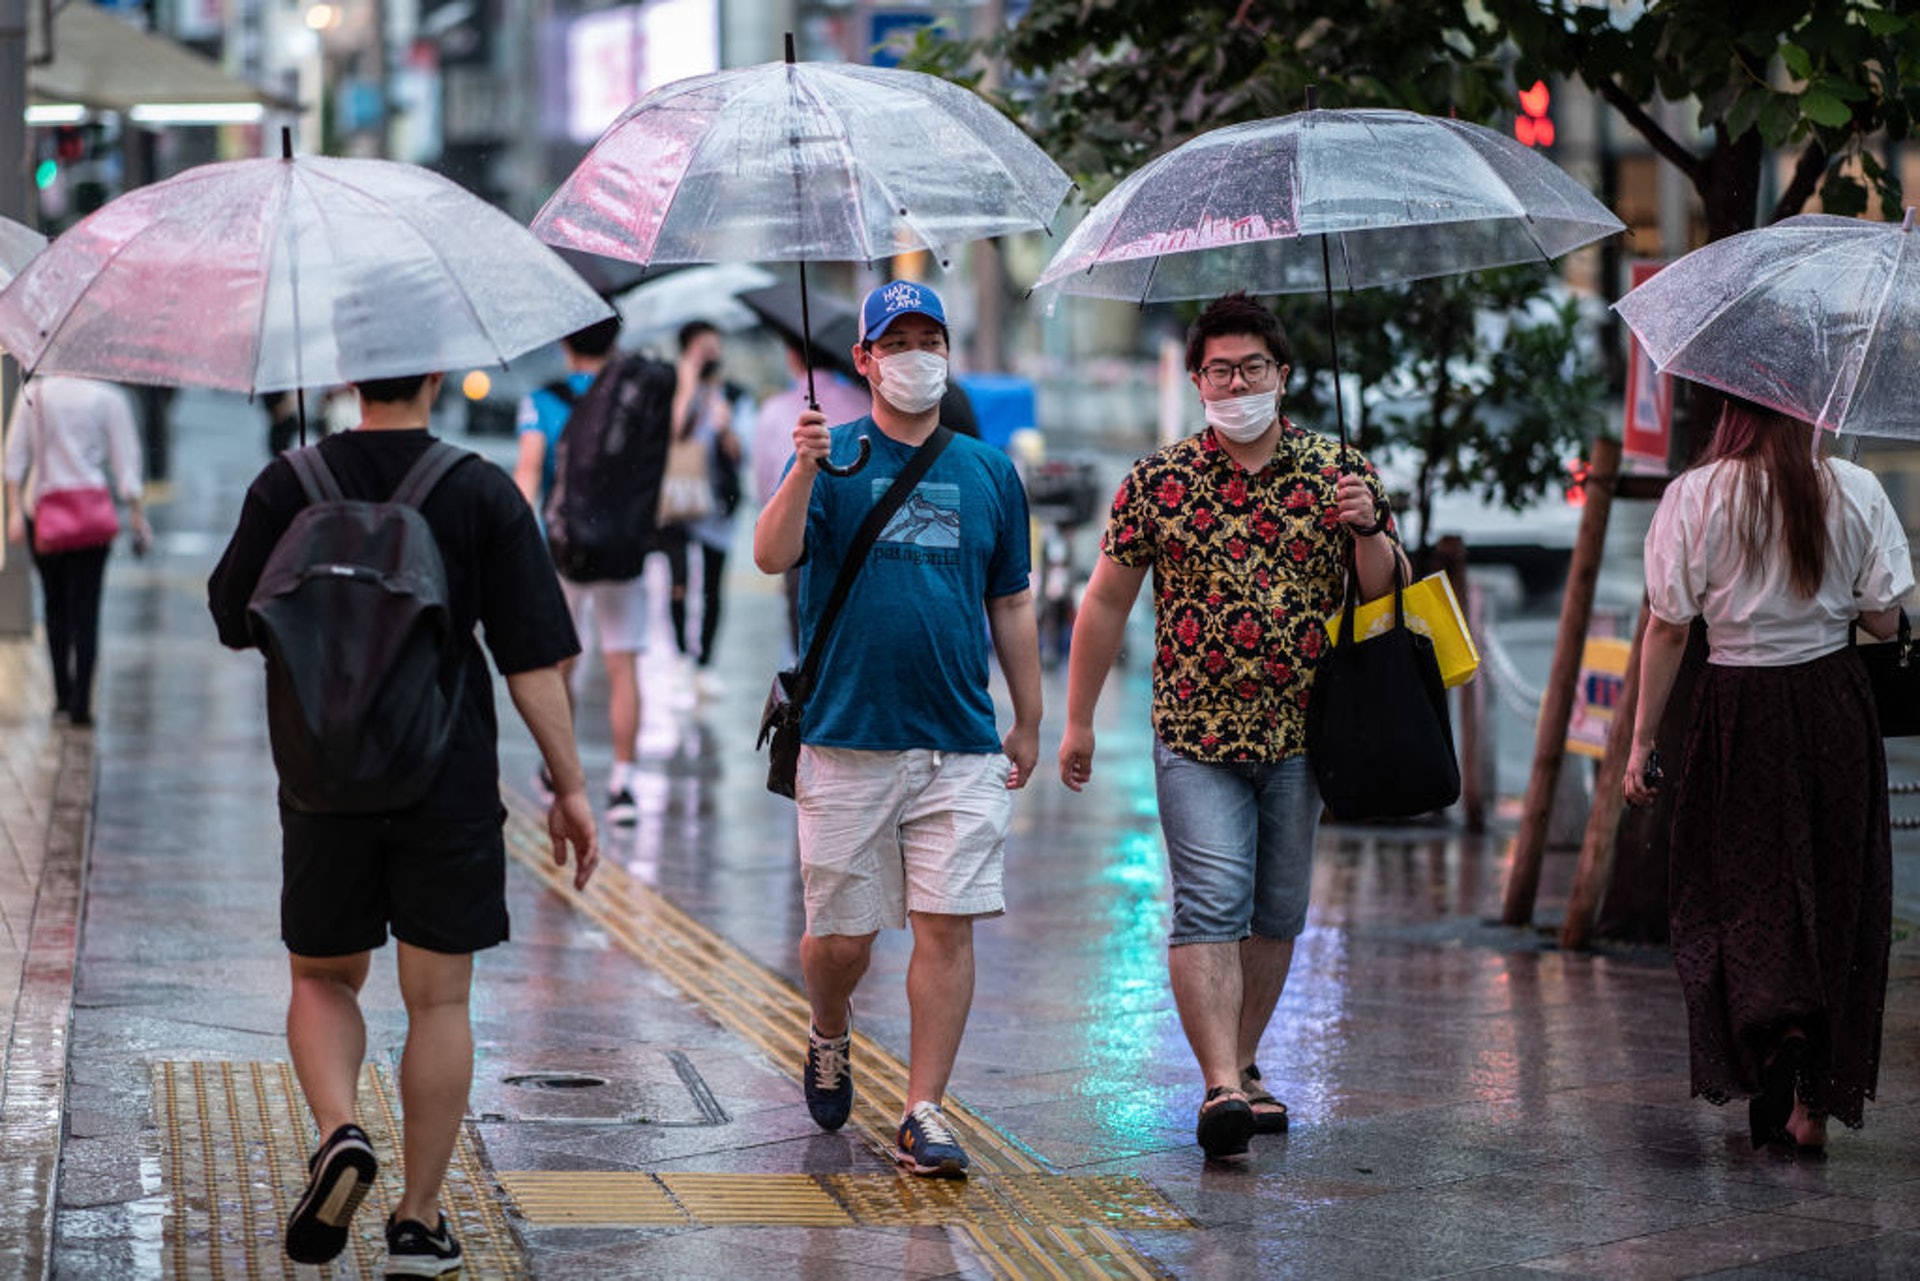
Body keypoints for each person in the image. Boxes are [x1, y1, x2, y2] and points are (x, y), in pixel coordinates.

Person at [209, 369, 599, 1273]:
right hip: (446, 776)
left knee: (322, 978)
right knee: (439, 1000)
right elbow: (532, 657)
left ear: (347, 379)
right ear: (434, 376)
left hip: (321, 777)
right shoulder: (478, 489)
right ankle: (419, 1222)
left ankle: (342, 1131)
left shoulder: (286, 482)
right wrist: (570, 786)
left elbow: (235, 618)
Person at [1056, 292, 1407, 1162]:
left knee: (1277, 912)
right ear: (1197, 380)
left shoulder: (1337, 469)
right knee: (1211, 904)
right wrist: (1077, 721)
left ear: (1283, 376)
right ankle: (1219, 1086)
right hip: (1194, 734)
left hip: (1303, 735)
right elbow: (1104, 602)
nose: (1238, 382)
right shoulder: (1158, 480)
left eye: (1254, 367)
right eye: (1221, 369)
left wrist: (1368, 526)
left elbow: (1384, 589)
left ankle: (1245, 1066)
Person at [753, 281, 1041, 1179]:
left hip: (958, 737)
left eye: (931, 337)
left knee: (946, 925)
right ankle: (829, 1027)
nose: (917, 353)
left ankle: (925, 1107)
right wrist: (803, 468)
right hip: (846, 735)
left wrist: (1029, 716)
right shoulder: (831, 455)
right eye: (898, 339)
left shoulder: (990, 472)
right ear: (864, 361)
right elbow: (771, 555)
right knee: (840, 942)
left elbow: (1013, 601)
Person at [1623, 396, 1910, 1154]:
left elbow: (1669, 623)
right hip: (1833, 706)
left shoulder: (1697, 493)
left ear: (1734, 407)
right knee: (1835, 887)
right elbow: (1885, 618)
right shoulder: (1853, 487)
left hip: (1736, 708)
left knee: (1741, 889)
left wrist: (1641, 742)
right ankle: (1812, 1106)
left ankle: (1773, 1028)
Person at [514, 316, 647, 825]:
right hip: (624, 551)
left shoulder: (542, 400)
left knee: (560, 665)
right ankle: (624, 784)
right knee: (623, 666)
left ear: (566, 341)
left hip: (563, 549)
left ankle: (559, 773)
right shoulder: (632, 398)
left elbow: (528, 475)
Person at [4, 375, 152, 728]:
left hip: (42, 512)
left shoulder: (34, 395)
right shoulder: (109, 397)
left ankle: (61, 696)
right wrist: (136, 517)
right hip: (91, 518)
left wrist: (12, 512)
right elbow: (126, 465)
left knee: (55, 607)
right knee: (87, 610)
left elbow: (13, 457)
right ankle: (82, 703)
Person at [755, 339, 871, 659]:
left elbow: (765, 487)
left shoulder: (775, 409)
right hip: (859, 533)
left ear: (794, 356)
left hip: (799, 536)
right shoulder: (864, 401)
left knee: (807, 644)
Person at [664, 319, 745, 699]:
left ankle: (705, 663)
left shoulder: (734, 394)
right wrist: (687, 384)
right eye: (702, 347)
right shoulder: (674, 388)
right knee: (678, 582)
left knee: (713, 586)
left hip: (718, 506)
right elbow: (672, 433)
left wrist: (725, 426)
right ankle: (681, 656)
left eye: (715, 346)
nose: (710, 354)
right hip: (678, 501)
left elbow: (740, 453)